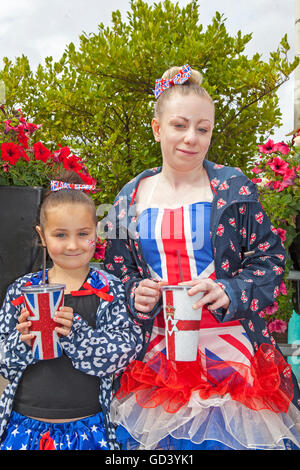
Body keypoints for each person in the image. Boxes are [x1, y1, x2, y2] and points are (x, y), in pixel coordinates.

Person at [103, 64, 300, 450]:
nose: (191, 138)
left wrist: (230, 290)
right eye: (179, 125)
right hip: (157, 361)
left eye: (203, 128)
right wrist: (133, 295)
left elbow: (271, 261)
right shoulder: (128, 197)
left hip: (232, 358)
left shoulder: (233, 186)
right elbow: (115, 276)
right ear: (158, 129)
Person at [0, 171, 143, 450]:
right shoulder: (22, 291)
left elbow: (127, 350)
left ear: (96, 234)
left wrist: (77, 333)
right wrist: (23, 340)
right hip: (25, 426)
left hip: (89, 428)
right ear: (42, 236)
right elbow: (3, 359)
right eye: (60, 234)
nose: (73, 245)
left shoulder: (109, 289)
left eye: (83, 234)